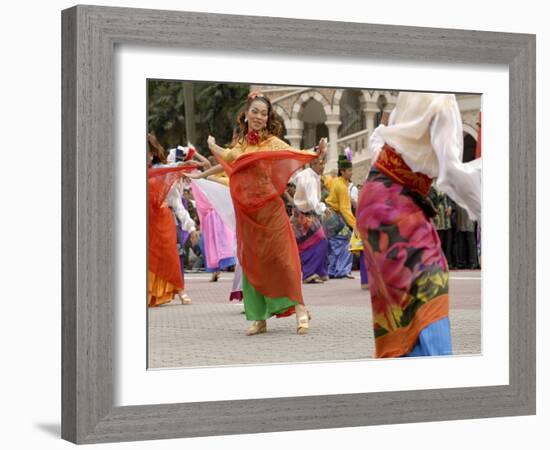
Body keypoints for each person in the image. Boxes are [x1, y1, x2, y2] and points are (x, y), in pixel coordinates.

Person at [356, 92, 481, 358]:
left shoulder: (411, 92)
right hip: (395, 205)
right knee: (429, 282)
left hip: (375, 197)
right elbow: (452, 174)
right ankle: (435, 375)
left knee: (401, 297)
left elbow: (380, 139)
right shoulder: (443, 102)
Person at [207, 91, 326, 335]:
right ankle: (259, 318)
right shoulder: (241, 144)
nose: (259, 116)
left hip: (270, 210)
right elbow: (229, 158)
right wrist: (212, 147)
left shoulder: (272, 142)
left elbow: (293, 154)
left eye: (264, 113)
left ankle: (300, 309)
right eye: (255, 112)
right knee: (253, 263)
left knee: (284, 260)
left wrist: (315, 151)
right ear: (246, 114)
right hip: (247, 214)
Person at [291, 150, 329, 284]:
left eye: (324, 163)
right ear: (312, 164)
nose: (323, 166)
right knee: (318, 239)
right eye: (320, 163)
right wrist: (323, 208)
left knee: (318, 240)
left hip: (305, 214)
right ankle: (309, 273)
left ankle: (318, 271)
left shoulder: (310, 175)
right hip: (303, 215)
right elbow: (312, 200)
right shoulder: (310, 178)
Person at [324, 154, 356, 279]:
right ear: (342, 171)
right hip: (334, 217)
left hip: (328, 216)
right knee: (348, 239)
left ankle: (332, 270)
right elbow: (345, 209)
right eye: (349, 170)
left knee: (334, 242)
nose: (351, 173)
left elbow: (326, 180)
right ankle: (342, 270)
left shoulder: (335, 181)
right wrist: (355, 225)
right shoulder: (342, 186)